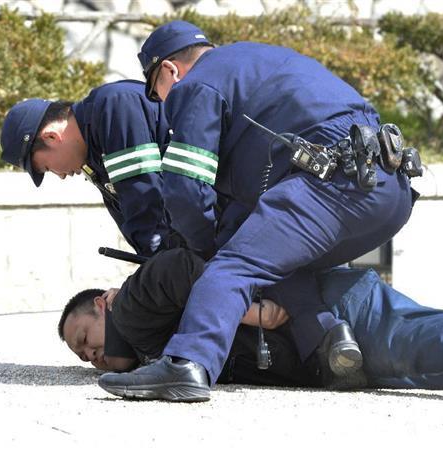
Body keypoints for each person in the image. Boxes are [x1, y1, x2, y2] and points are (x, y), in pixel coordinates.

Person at [59, 177, 443, 410]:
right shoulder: (153, 347)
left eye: (84, 337)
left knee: (415, 339)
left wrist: (246, 308)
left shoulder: (133, 305)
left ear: (103, 302)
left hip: (334, 311)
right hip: (327, 352)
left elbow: (183, 266)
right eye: (82, 357)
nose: (91, 356)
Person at [108, 20, 420, 398]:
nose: (161, 103)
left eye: (155, 91)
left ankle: (187, 363)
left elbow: (185, 191)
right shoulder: (260, 62)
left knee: (233, 264)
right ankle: (328, 340)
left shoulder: (197, 83)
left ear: (170, 70)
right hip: (391, 191)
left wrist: (205, 250)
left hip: (334, 185)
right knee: (270, 254)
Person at [0, 80, 173, 256]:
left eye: (47, 168)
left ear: (51, 137)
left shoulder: (113, 107)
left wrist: (159, 263)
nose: (61, 176)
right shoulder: (91, 153)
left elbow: (145, 200)